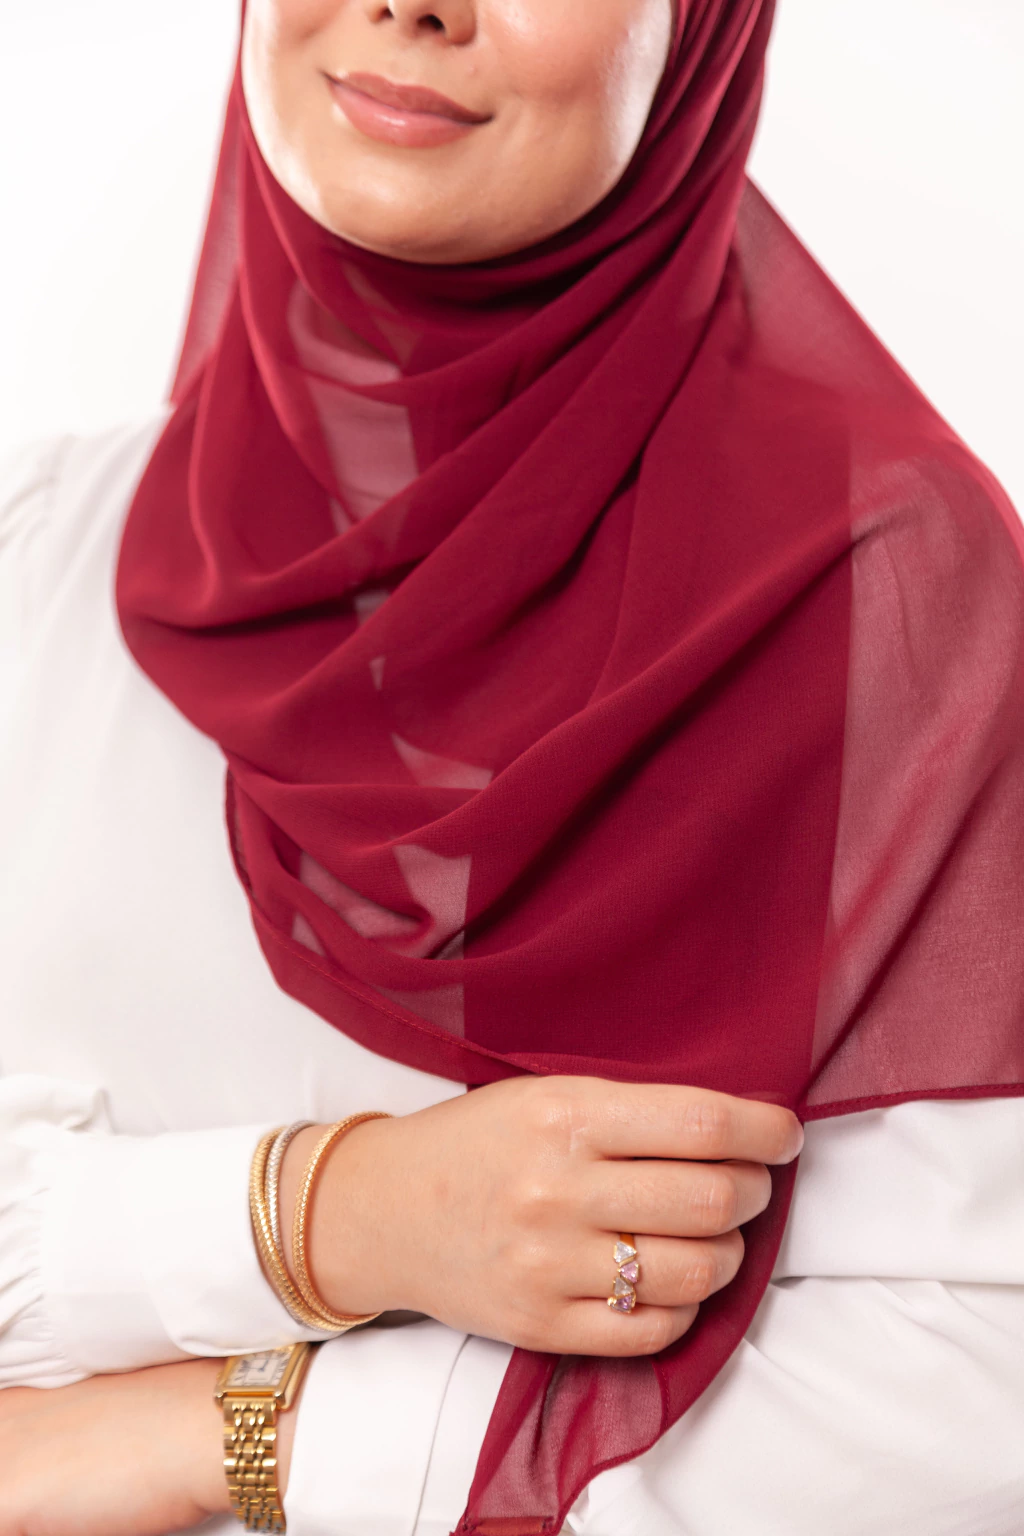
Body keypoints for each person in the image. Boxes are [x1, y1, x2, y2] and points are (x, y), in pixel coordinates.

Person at [1, 0, 1023, 1532]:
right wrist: (338, 1215)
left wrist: (217, 1435)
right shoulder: (39, 552)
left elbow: (969, 1390)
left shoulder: (880, 599)